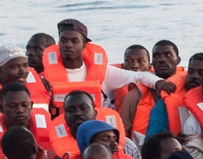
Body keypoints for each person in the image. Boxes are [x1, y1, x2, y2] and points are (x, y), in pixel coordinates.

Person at [41, 19, 174, 112]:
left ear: (84, 45)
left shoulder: (105, 73)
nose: (68, 45)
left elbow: (140, 76)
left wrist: (159, 83)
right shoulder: (45, 76)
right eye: (63, 41)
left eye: (74, 41)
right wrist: (40, 84)